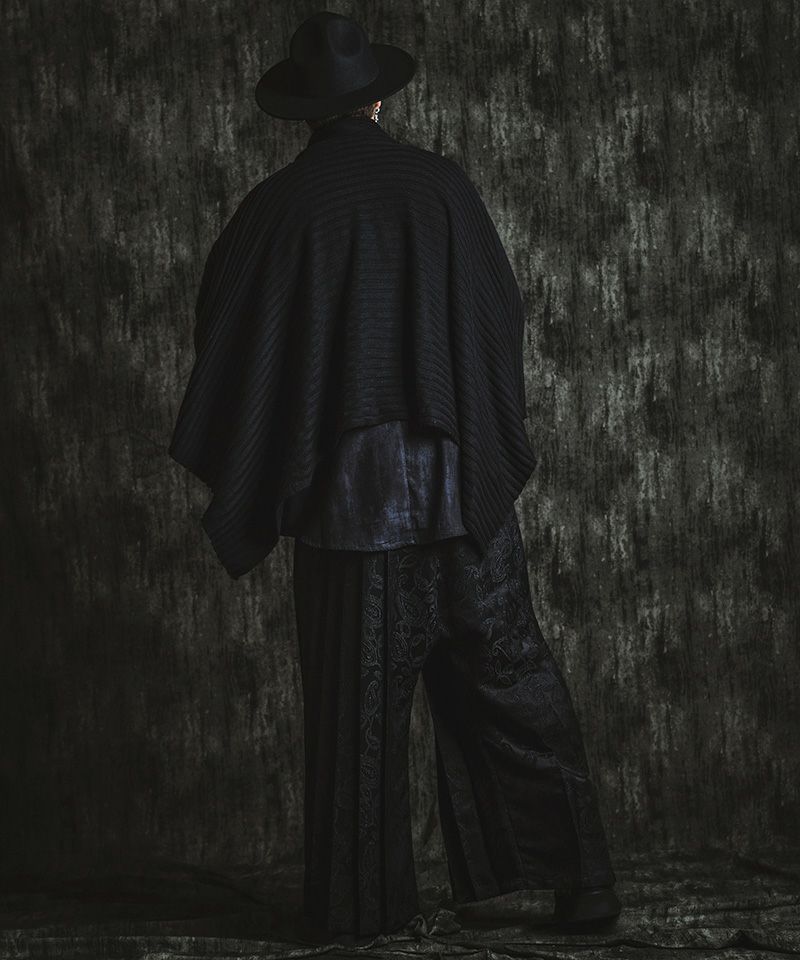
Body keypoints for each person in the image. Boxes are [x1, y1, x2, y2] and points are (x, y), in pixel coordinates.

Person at [168, 10, 622, 943]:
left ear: (306, 113)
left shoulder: (278, 208)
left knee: (358, 720)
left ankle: (360, 915)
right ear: (377, 99)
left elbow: (228, 331)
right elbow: (499, 316)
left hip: (350, 508)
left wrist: (302, 417)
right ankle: (585, 885)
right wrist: (462, 424)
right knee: (510, 680)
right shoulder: (443, 187)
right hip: (462, 488)